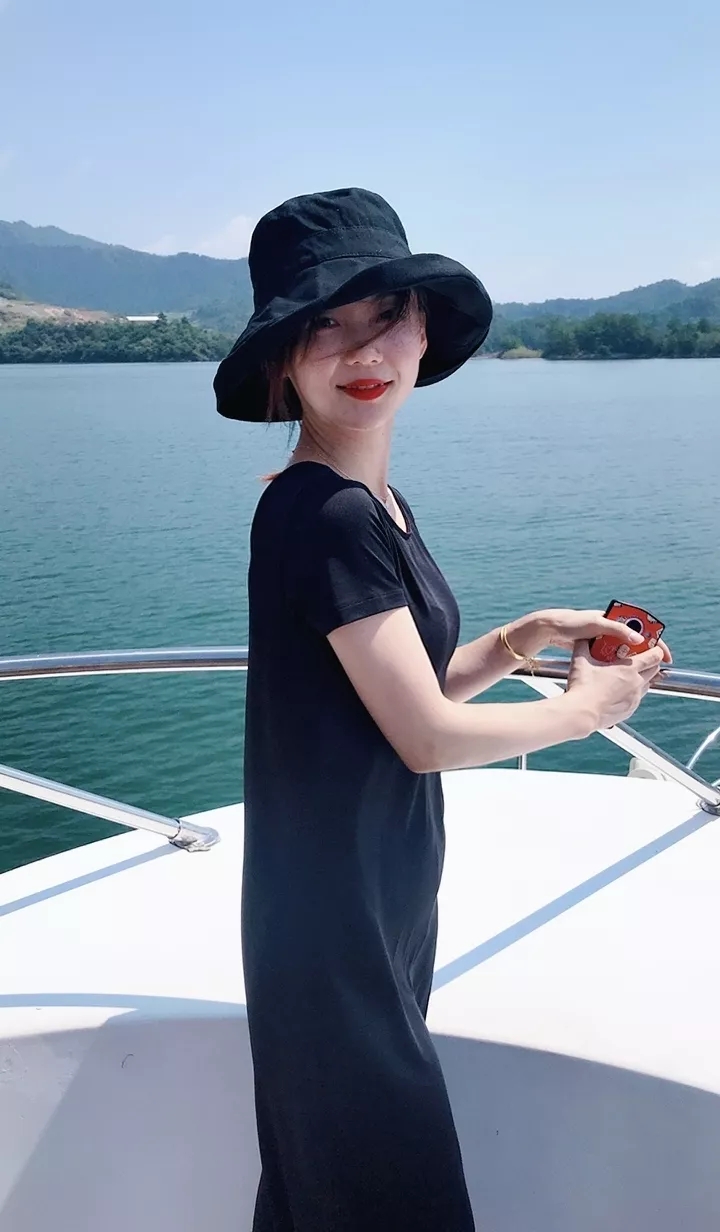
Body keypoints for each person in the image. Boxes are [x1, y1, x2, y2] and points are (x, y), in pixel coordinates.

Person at [213, 188, 672, 1232]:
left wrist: (524, 634)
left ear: (424, 329)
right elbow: (424, 738)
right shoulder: (324, 512)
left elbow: (401, 694)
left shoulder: (374, 503)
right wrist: (588, 711)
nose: (361, 349)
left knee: (329, 1192)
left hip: (370, 897)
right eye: (323, 324)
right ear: (284, 356)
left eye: (385, 315)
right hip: (330, 921)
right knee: (387, 1192)